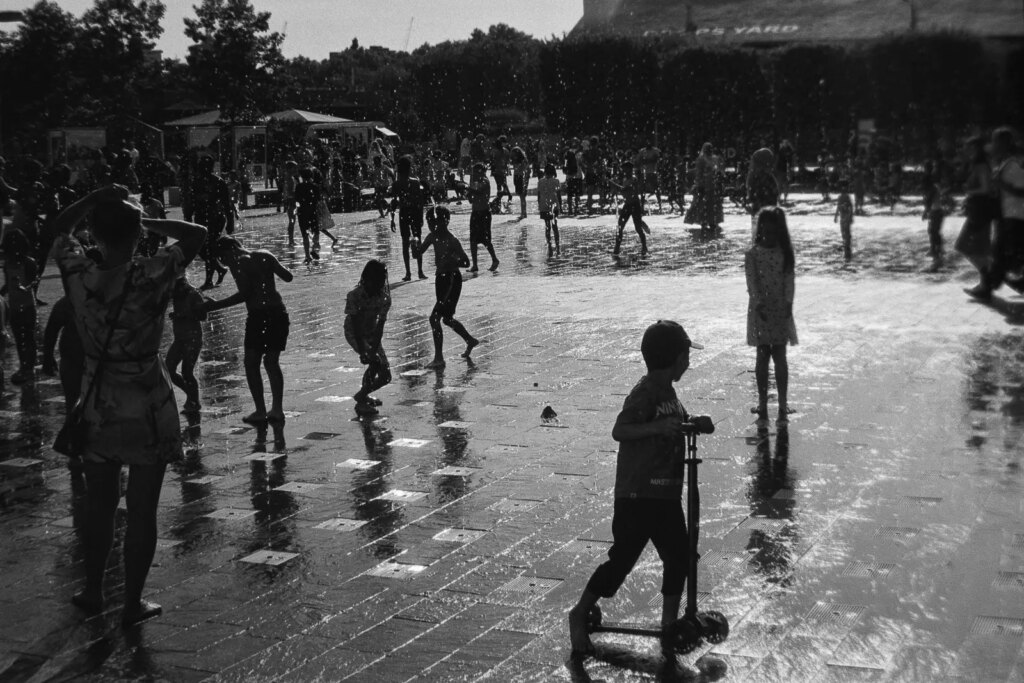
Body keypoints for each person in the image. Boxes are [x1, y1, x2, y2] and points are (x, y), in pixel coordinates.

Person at [52, 184, 207, 626]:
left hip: (98, 402)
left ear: (94, 234)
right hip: (148, 402)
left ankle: (94, 589)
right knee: (142, 509)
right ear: (137, 234)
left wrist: (94, 198)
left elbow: (58, 228)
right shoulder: (153, 272)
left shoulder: (79, 274)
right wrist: (146, 220)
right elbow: (197, 232)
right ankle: (133, 601)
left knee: (98, 505)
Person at [568, 320, 705, 657]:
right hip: (637, 495)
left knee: (679, 557)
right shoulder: (644, 393)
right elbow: (621, 429)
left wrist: (694, 423)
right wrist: (658, 426)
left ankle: (668, 626)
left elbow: (675, 423)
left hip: (666, 495)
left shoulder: (670, 393)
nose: (689, 361)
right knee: (622, 561)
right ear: (673, 358)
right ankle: (578, 612)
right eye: (686, 355)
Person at [203, 236, 293, 425]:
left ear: (227, 251)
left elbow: (245, 294)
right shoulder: (264, 255)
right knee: (271, 362)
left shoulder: (238, 262)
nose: (225, 263)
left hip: (259, 316)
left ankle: (260, 411)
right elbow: (288, 276)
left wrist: (215, 306)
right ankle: (277, 409)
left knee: (252, 363)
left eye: (223, 258)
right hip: (278, 312)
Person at [745, 207, 798, 424]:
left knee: (780, 357)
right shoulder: (753, 254)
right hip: (761, 310)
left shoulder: (784, 253)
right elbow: (752, 283)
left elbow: (789, 281)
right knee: (762, 356)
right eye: (765, 225)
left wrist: (788, 304)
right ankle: (763, 402)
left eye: (773, 225)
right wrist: (759, 305)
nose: (768, 229)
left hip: (780, 310)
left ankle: (783, 402)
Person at [413, 205, 479, 367]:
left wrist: (452, 261)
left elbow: (466, 262)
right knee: (447, 319)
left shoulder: (452, 240)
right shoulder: (431, 237)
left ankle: (439, 358)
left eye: (436, 223)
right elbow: (417, 254)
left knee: (435, 318)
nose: (432, 226)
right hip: (440, 279)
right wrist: (413, 242)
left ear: (446, 222)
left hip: (451, 279)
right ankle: (470, 340)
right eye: (429, 223)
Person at [966, 128, 1024, 301]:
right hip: (1006, 214)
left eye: (996, 141)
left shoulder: (1013, 165)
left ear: (1005, 143)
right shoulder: (1004, 163)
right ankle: (992, 285)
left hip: (1015, 215)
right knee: (1004, 254)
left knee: (1003, 254)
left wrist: (1001, 184)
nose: (992, 145)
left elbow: (1021, 192)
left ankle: (990, 286)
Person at [344, 259, 392, 416]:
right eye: (374, 282)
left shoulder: (384, 298)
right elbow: (356, 325)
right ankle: (362, 399)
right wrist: (365, 350)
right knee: (375, 362)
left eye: (380, 282)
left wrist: (374, 348)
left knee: (385, 376)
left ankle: (363, 394)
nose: (378, 286)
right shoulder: (354, 296)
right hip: (354, 332)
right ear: (366, 279)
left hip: (372, 332)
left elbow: (380, 326)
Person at [956, 136, 997, 290]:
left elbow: (985, 189)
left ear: (975, 148)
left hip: (980, 211)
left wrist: (969, 190)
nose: (964, 150)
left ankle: (988, 276)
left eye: (967, 147)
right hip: (977, 210)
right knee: (975, 248)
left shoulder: (981, 165)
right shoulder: (977, 164)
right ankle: (986, 282)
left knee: (966, 246)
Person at [191, 156, 235, 290]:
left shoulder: (218, 182)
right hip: (200, 219)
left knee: (209, 248)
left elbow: (227, 204)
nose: (203, 169)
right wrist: (188, 220)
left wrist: (230, 221)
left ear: (210, 167)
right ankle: (220, 269)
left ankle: (209, 280)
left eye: (205, 166)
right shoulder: (196, 182)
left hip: (215, 219)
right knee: (200, 248)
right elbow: (191, 202)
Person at [166, 275, 206, 414]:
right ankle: (191, 395)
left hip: (193, 338)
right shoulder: (176, 294)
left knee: (187, 372)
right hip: (179, 338)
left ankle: (194, 401)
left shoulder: (193, 294)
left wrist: (183, 315)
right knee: (169, 368)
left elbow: (203, 316)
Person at [3, 229, 38, 384]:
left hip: (28, 305)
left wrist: (25, 287)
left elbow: (34, 282)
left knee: (28, 336)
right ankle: (25, 367)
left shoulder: (29, 262)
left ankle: (29, 368)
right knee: (19, 337)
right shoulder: (8, 264)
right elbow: (8, 284)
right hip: (14, 306)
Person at [388, 156, 428, 281]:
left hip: (404, 213)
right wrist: (421, 217)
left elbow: (393, 203)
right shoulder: (415, 182)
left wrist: (392, 220)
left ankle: (408, 273)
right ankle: (420, 271)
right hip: (415, 213)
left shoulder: (397, 184)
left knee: (405, 243)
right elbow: (420, 202)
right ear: (410, 169)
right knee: (417, 240)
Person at [465, 162, 500, 272]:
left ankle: (495, 259)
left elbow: (479, 191)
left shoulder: (485, 180)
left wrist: (468, 188)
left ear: (480, 172)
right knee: (473, 239)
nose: (473, 174)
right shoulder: (475, 182)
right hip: (475, 212)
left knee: (486, 239)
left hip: (484, 213)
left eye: (475, 172)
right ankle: (475, 265)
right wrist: (468, 193)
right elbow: (471, 200)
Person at [610, 161, 649, 256]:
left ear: (630, 170)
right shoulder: (625, 179)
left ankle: (644, 247)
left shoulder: (633, 179)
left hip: (635, 205)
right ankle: (617, 248)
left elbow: (626, 190)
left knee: (638, 228)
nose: (624, 171)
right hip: (627, 205)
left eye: (626, 169)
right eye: (623, 169)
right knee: (620, 226)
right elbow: (624, 192)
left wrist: (613, 184)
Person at [746, 148, 780, 242]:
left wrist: (753, 210)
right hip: (767, 218)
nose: (751, 165)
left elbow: (761, 200)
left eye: (754, 162)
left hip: (763, 219)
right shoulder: (769, 177)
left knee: (760, 243)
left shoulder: (760, 178)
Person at [294, 166, 322, 264]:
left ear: (301, 176)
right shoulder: (315, 186)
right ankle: (314, 249)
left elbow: (296, 200)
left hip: (302, 213)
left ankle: (307, 256)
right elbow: (319, 200)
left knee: (305, 235)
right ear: (311, 176)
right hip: (313, 212)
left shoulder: (298, 186)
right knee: (316, 232)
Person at [536, 163, 562, 254]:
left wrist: (540, 205)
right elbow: (558, 195)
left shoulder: (540, 181)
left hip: (544, 206)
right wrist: (560, 206)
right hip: (553, 206)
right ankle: (557, 245)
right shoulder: (556, 181)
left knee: (547, 226)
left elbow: (539, 195)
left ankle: (549, 244)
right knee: (555, 226)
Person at [834, 187, 855, 260]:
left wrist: (836, 216)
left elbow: (838, 207)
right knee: (846, 231)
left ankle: (846, 244)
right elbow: (850, 207)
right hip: (845, 217)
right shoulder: (846, 197)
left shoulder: (842, 197)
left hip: (844, 217)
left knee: (844, 231)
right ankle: (846, 245)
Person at [281, 160, 298, 243]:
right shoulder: (290, 178)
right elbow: (290, 192)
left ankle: (291, 239)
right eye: (295, 168)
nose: (296, 170)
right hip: (291, 201)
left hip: (289, 201)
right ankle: (291, 240)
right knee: (292, 221)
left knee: (292, 220)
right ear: (290, 169)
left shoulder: (289, 177)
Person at [511, 145, 531, 219]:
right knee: (521, 196)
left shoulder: (522, 160)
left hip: (520, 178)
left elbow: (527, 170)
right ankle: (523, 212)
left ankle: (524, 213)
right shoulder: (518, 160)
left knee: (522, 196)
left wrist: (525, 179)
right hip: (518, 177)